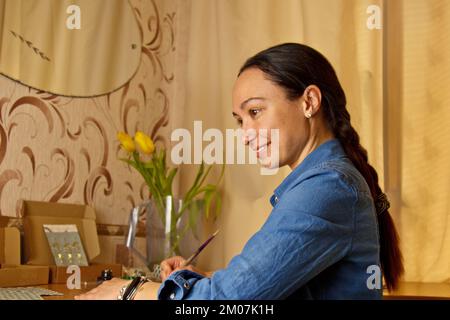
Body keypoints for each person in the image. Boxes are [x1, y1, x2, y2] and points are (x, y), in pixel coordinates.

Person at [76, 43, 404, 300]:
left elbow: (228, 299)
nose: (245, 133)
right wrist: (197, 280)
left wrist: (127, 291)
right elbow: (252, 291)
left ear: (309, 102)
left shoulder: (328, 185)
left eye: (255, 111)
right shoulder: (324, 181)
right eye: (240, 119)